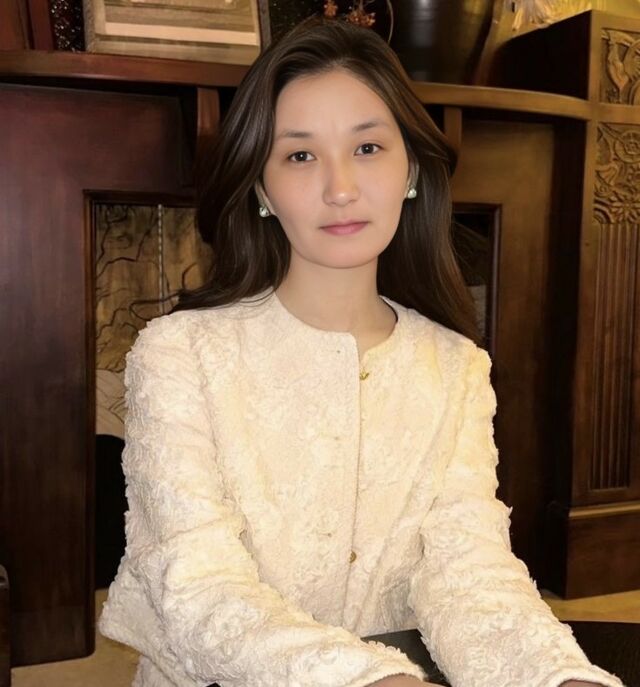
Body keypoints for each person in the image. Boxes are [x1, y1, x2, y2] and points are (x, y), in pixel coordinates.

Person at [98, 15, 625, 687]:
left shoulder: (456, 366)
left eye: (368, 147)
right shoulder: (180, 354)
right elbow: (197, 586)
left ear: (411, 170)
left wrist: (555, 676)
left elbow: (469, 570)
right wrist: (367, 679)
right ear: (260, 189)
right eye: (300, 155)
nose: (340, 187)